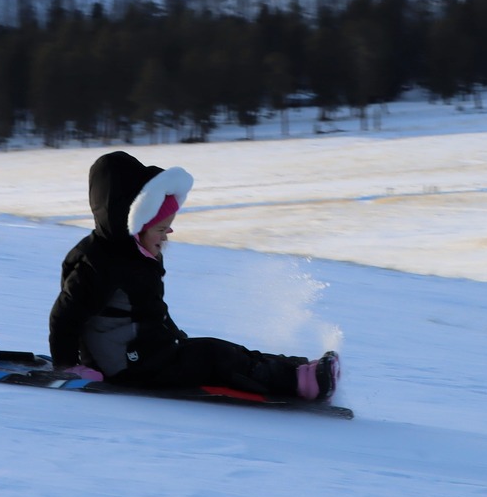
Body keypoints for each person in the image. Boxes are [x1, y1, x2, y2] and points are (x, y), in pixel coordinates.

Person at [48, 150, 340, 401]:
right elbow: (64, 316)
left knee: (216, 350)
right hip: (126, 365)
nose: (169, 233)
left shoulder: (136, 253)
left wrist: (174, 338)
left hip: (147, 351)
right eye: (161, 228)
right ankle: (300, 383)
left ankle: (302, 371)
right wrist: (69, 367)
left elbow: (149, 311)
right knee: (213, 356)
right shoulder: (99, 264)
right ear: (134, 225)